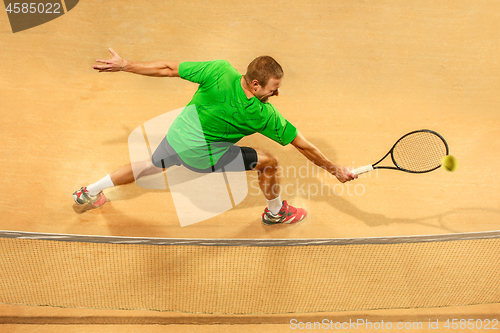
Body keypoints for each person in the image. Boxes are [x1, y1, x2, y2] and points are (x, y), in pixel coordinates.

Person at [72, 48, 357, 225]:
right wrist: (335, 170)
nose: (276, 94)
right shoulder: (262, 115)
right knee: (269, 161)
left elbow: (169, 69)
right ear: (256, 84)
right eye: (272, 88)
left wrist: (126, 65)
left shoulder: (219, 70)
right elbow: (302, 146)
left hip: (179, 132)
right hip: (200, 156)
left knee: (149, 164)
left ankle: (89, 191)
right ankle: (275, 213)